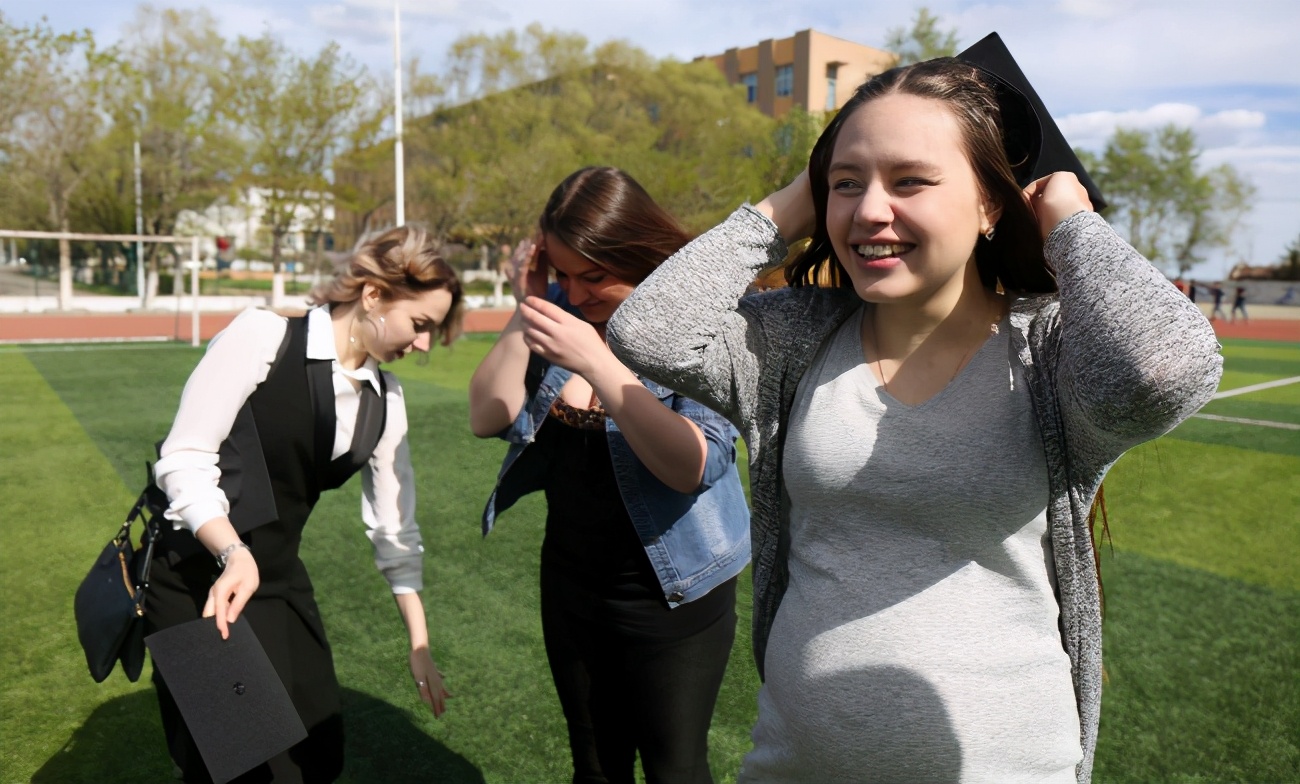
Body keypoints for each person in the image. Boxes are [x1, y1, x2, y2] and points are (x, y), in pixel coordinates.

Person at [607, 58, 1223, 783]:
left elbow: (1166, 368)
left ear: (991, 204)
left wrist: (1069, 218)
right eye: (847, 182)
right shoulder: (793, 342)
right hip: (790, 767)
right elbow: (648, 334)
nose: (869, 210)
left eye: (910, 181)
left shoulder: (1050, 354)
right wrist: (788, 207)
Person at [147, 225, 461, 783]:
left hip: (275, 578)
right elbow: (183, 458)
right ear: (373, 295)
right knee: (241, 763)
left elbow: (396, 531)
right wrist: (232, 550)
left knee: (316, 755)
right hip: (192, 575)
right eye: (420, 325)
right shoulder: (264, 335)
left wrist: (419, 643)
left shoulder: (386, 401)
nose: (424, 345)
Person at [469, 166, 750, 784]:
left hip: (673, 595)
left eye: (594, 276)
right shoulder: (559, 318)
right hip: (571, 583)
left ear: (640, 254)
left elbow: (694, 467)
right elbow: (487, 416)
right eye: (563, 275)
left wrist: (597, 361)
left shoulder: (702, 326)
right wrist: (532, 308)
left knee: (675, 769)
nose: (577, 292)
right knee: (594, 766)